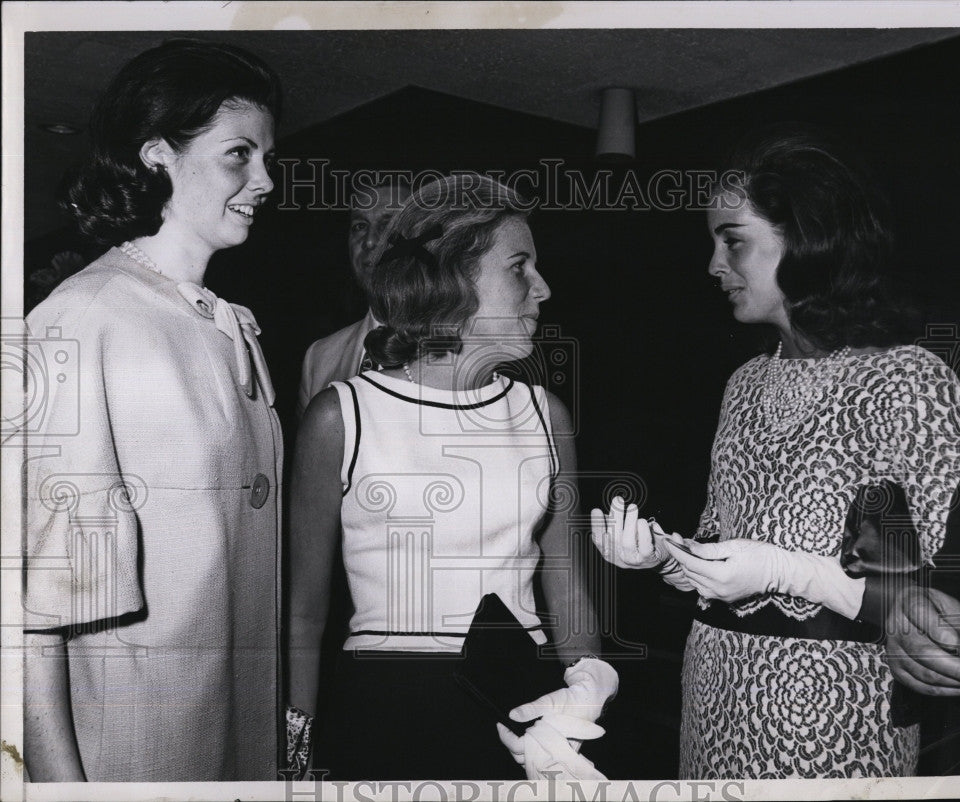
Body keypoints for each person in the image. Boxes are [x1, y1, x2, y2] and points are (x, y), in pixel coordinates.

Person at [591, 128, 960, 778]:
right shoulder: (743, 385)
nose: (714, 265)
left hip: (828, 714)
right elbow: (721, 548)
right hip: (713, 688)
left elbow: (923, 599)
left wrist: (781, 570)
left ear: (803, 238)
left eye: (733, 241)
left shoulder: (903, 380)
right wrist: (664, 556)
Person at [288, 174, 617, 781]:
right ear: (451, 277)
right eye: (519, 267)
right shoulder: (341, 414)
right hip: (383, 705)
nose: (542, 289)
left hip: (521, 703)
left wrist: (586, 688)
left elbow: (566, 580)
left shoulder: (546, 414)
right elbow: (305, 610)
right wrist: (296, 748)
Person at [22, 39, 283, 782]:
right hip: (137, 751)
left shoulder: (230, 321)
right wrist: (58, 788)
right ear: (156, 154)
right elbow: (39, 608)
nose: (264, 179)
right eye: (239, 154)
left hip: (236, 738)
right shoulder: (85, 318)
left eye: (267, 156)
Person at [296, 176, 411, 417]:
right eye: (359, 225)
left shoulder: (458, 347)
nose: (369, 241)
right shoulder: (319, 358)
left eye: (388, 224)